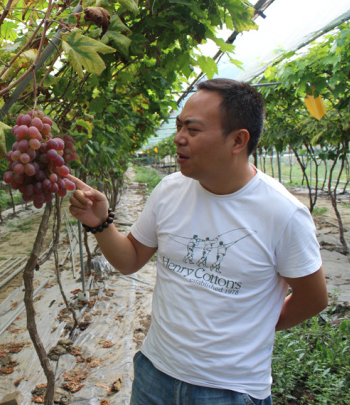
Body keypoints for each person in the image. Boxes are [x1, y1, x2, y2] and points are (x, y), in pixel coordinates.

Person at [66, 78, 328, 404]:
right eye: (179, 127)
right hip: (155, 372)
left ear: (238, 140)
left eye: (192, 129)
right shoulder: (169, 191)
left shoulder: (283, 214)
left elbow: (313, 298)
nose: (178, 139)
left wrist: (254, 328)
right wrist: (101, 223)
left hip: (229, 391)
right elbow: (131, 258)